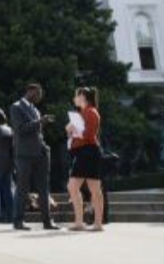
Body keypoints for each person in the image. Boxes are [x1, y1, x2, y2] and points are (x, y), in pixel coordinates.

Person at [10, 83, 59, 231]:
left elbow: (38, 133)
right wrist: (40, 121)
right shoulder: (16, 107)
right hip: (24, 154)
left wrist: (45, 146)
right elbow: (20, 129)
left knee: (44, 188)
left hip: (41, 153)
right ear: (30, 92)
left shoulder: (35, 110)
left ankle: (47, 221)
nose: (40, 97)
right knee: (22, 188)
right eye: (38, 94)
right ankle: (18, 221)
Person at [66, 87, 104, 232]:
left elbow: (88, 134)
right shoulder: (84, 112)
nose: (74, 98)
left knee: (75, 186)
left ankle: (83, 222)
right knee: (93, 188)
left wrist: (73, 129)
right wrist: (71, 129)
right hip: (86, 152)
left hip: (88, 152)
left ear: (82, 96)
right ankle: (92, 223)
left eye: (76, 96)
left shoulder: (91, 112)